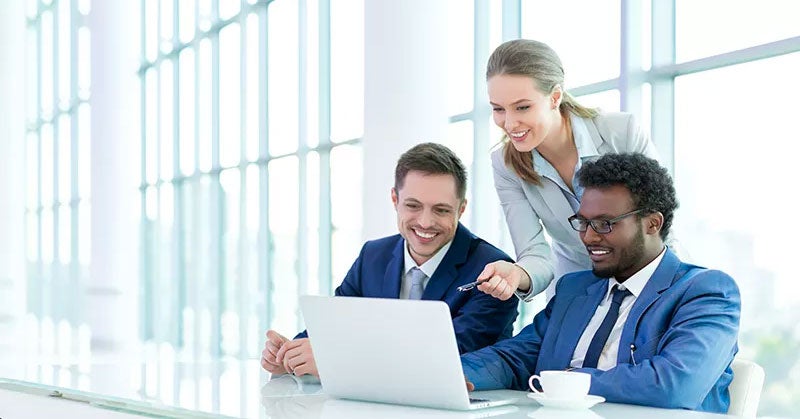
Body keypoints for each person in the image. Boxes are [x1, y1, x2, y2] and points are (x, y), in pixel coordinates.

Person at [462, 153, 740, 413]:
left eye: (605, 224)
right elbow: (516, 358)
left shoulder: (706, 292)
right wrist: (452, 374)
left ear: (653, 224)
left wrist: (570, 382)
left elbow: (675, 385)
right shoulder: (574, 289)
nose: (589, 237)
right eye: (583, 222)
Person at [261, 142, 519, 378]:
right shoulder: (372, 256)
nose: (425, 222)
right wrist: (289, 354)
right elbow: (336, 324)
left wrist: (333, 359)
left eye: (441, 210)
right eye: (413, 206)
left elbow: (449, 354)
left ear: (461, 208)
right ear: (395, 199)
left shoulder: (493, 270)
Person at [474, 39, 667, 302]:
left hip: (647, 274)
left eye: (522, 107)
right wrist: (517, 274)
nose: (509, 123)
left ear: (555, 97)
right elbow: (535, 253)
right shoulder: (506, 164)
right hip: (577, 286)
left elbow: (661, 219)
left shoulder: (620, 133)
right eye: (498, 109)